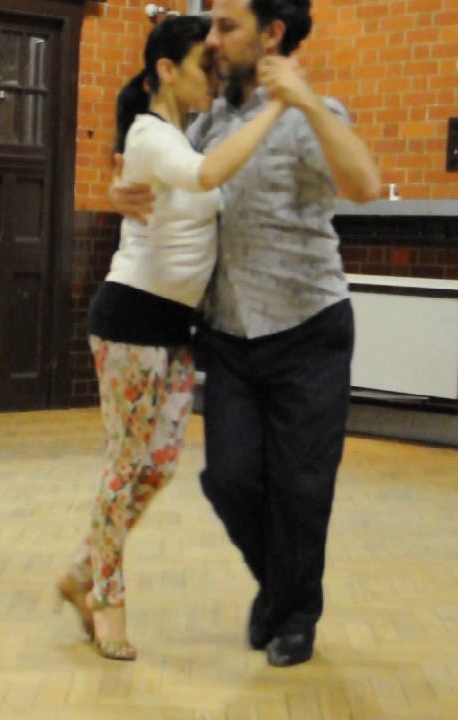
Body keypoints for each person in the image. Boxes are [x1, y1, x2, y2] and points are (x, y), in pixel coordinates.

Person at [112, 0, 381, 667]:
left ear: (273, 34)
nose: (213, 39)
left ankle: (293, 617)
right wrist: (122, 189)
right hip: (229, 332)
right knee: (230, 479)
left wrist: (308, 104)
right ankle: (281, 587)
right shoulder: (210, 123)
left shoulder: (320, 114)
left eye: (226, 25)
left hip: (309, 329)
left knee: (302, 488)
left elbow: (366, 184)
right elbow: (166, 168)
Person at [57, 14, 290, 662]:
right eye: (200, 67)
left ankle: (82, 569)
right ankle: (106, 599)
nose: (212, 79)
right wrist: (279, 112)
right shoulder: (151, 134)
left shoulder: (185, 134)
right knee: (124, 465)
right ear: (166, 70)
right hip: (130, 321)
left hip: (176, 333)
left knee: (156, 468)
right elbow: (205, 177)